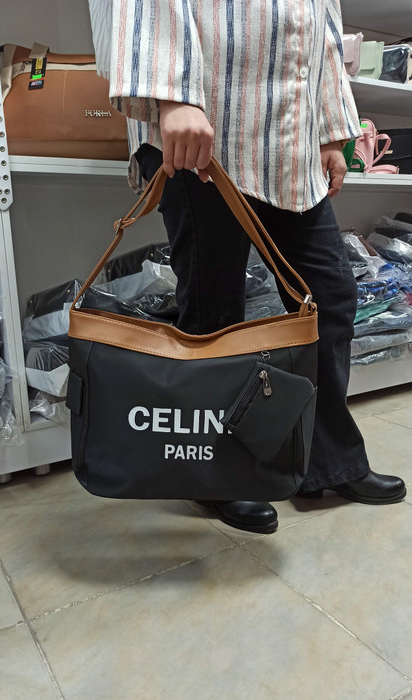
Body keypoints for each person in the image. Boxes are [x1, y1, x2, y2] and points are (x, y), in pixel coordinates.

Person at [88, 0, 406, 533]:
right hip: (205, 126)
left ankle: (325, 461)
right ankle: (216, 473)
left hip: (289, 141)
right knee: (215, 310)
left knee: (329, 295)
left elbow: (323, 23)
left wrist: (330, 133)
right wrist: (172, 96)